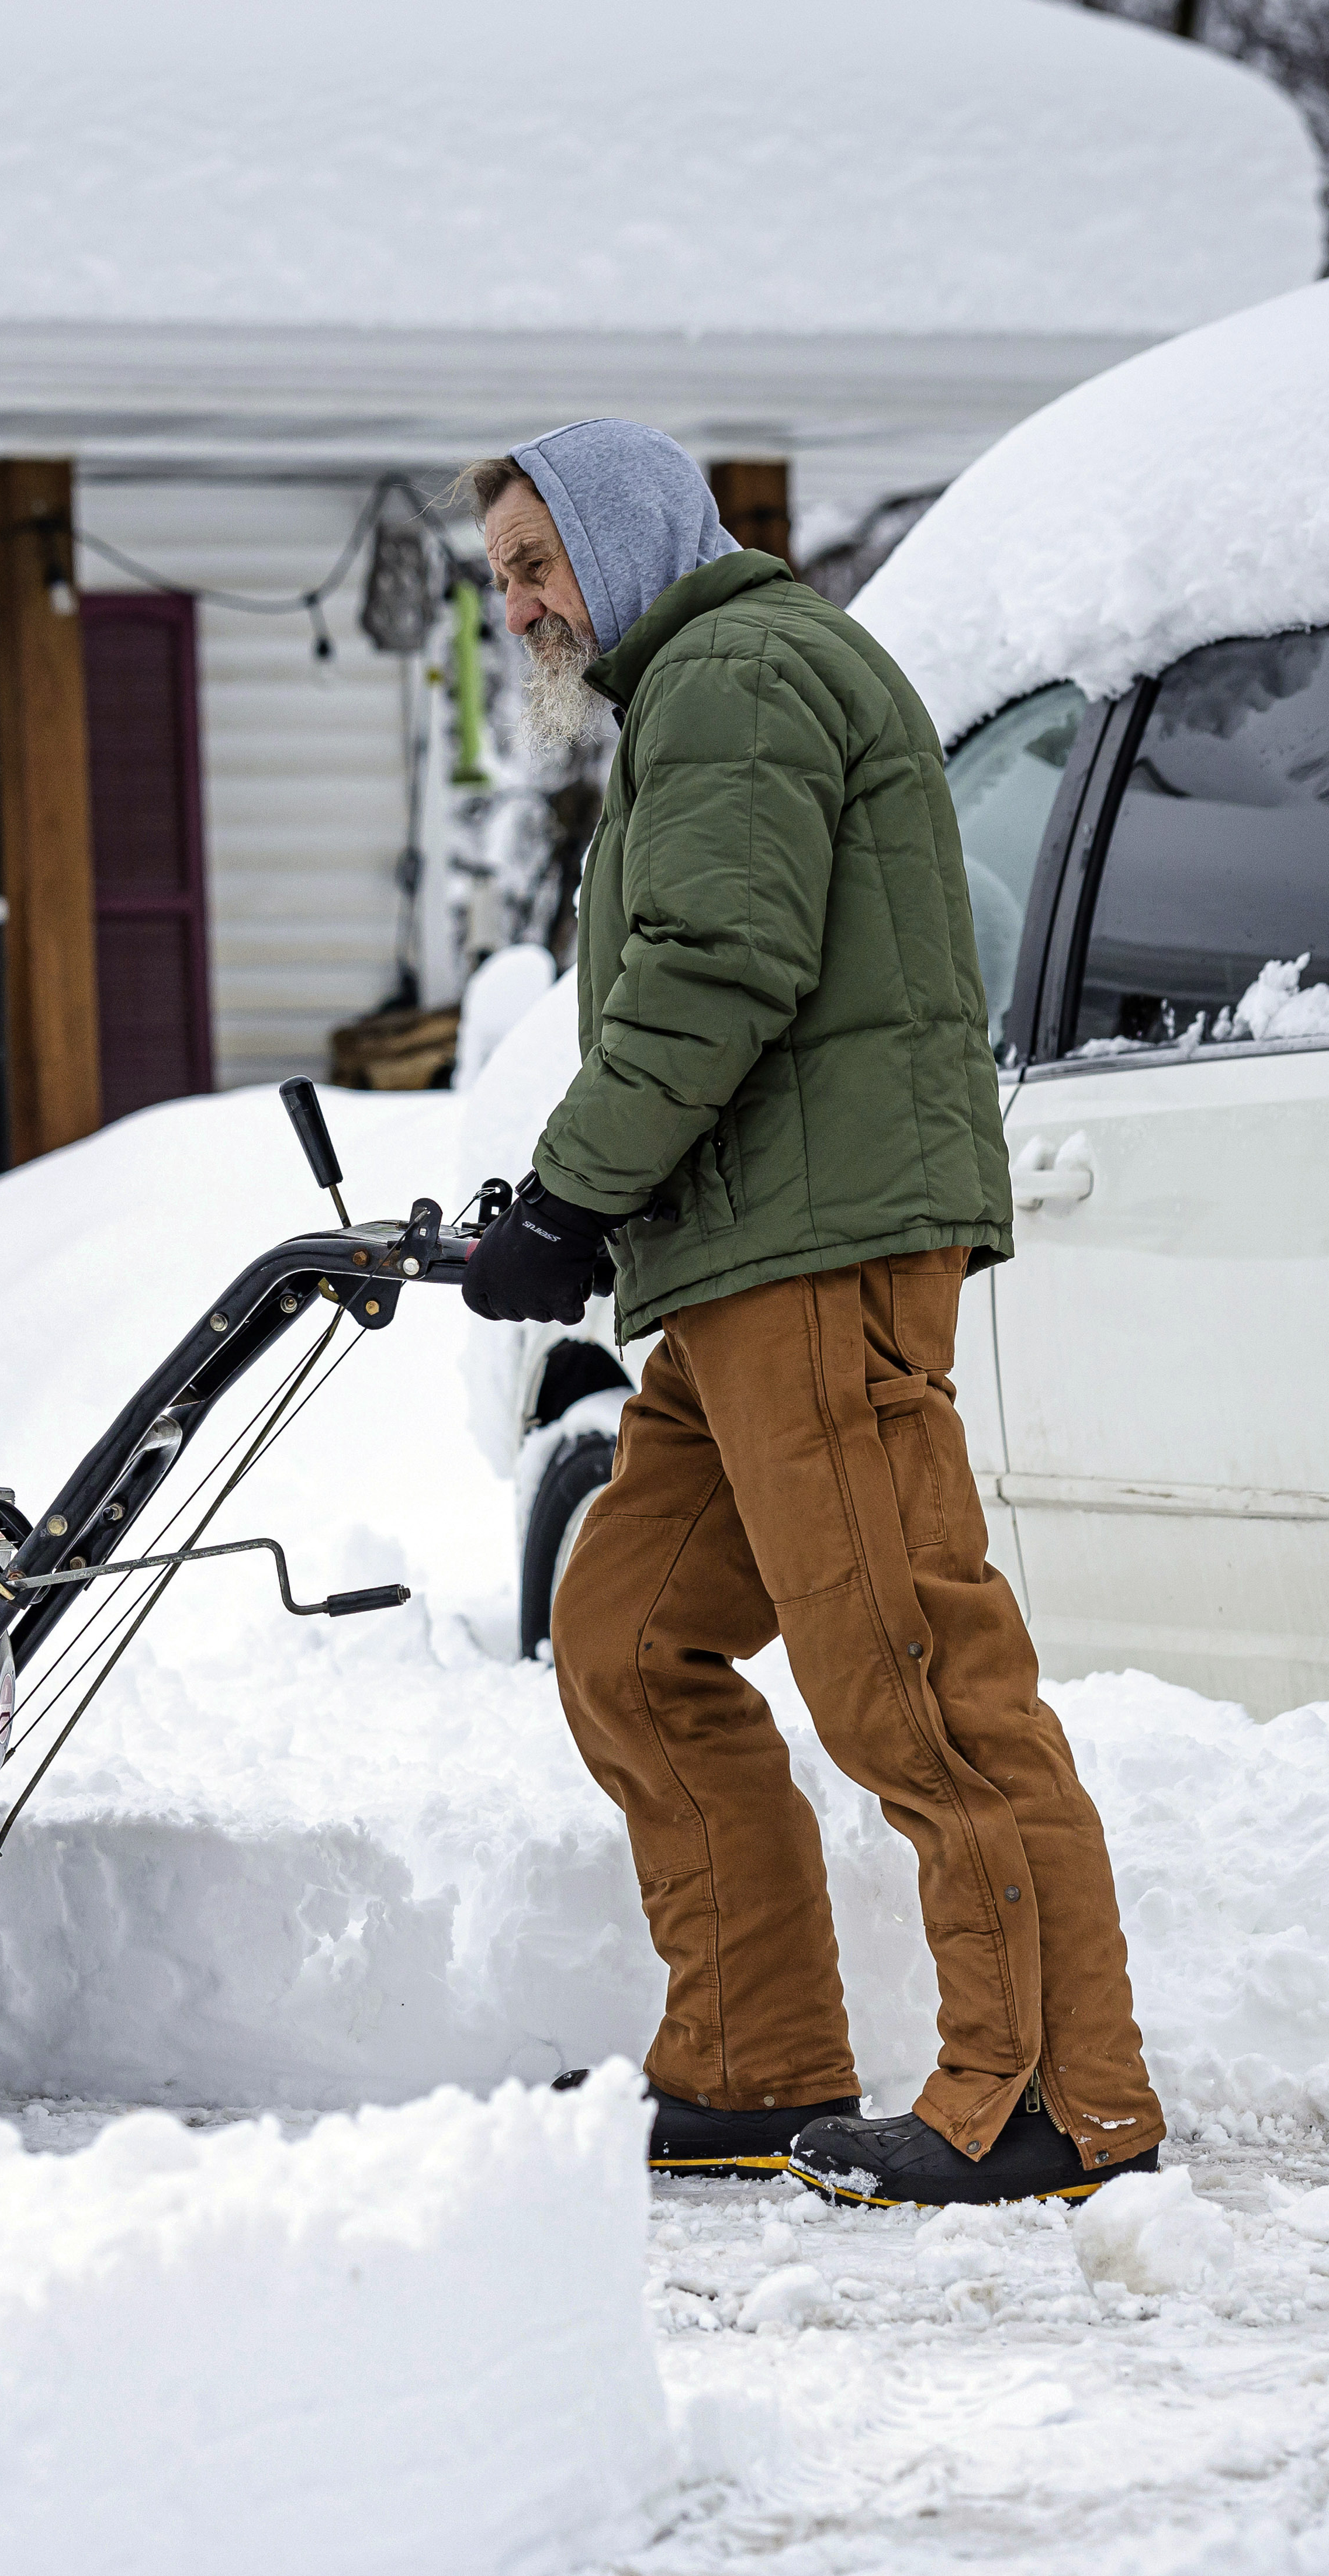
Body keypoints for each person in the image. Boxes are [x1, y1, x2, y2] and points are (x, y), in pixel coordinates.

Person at [456, 420, 1160, 2210]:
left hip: (816, 1263)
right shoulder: (711, 685)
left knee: (912, 1678)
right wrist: (585, 1208)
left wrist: (570, 1192)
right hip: (738, 1271)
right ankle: (754, 2063)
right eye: (506, 579)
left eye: (539, 564)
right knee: (626, 1632)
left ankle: (1053, 2103)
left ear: (621, 544)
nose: (521, 604)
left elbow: (717, 967)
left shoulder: (738, 674)